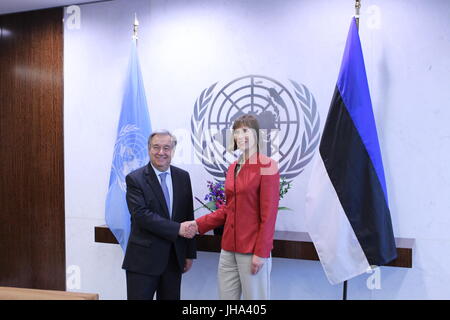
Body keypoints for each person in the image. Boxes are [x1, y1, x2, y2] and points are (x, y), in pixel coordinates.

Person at [191, 114, 280, 300]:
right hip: (228, 248)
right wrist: (197, 225)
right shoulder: (233, 167)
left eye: (245, 130)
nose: (241, 136)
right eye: (237, 132)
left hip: (252, 250)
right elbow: (228, 209)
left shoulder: (268, 165)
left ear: (256, 134)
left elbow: (269, 215)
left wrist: (261, 253)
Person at [122, 129, 197, 300]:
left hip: (173, 260)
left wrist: (189, 253)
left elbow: (188, 214)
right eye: (156, 147)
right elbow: (141, 215)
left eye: (166, 148)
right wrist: (177, 229)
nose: (161, 152)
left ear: (173, 150)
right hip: (143, 262)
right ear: (149, 149)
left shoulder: (183, 177)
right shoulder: (135, 179)